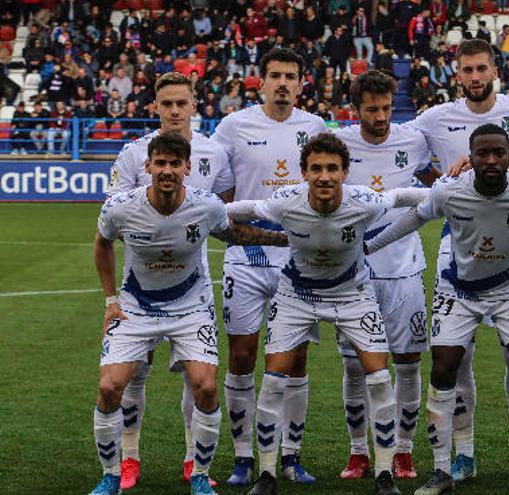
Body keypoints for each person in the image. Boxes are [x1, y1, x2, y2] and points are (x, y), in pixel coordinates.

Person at [225, 132, 426, 495]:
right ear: (303, 172)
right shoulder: (285, 202)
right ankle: (267, 475)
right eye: (316, 168)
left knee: (379, 379)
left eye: (333, 168)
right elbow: (236, 211)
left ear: (345, 172)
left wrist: (464, 188)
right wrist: (193, 207)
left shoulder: (364, 201)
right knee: (272, 382)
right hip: (296, 293)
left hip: (352, 292)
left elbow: (406, 198)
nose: (324, 176)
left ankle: (384, 475)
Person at [366, 124, 509, 495]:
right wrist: (370, 247)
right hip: (458, 290)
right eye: (482, 153)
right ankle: (443, 470)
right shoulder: (449, 190)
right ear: (469, 158)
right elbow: (416, 216)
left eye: (498, 153)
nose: (490, 160)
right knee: (444, 367)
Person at [89, 132, 287, 495]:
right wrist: (109, 300)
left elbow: (236, 233)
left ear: (187, 168)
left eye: (174, 164)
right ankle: (111, 475)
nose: (167, 171)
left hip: (190, 307)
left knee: (206, 387)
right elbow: (102, 244)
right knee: (108, 387)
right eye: (160, 163)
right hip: (136, 306)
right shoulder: (121, 207)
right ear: (148, 166)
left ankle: (199, 473)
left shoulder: (206, 205)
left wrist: (284, 239)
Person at [410, 38, 509, 480]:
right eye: (467, 70)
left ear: (495, 69)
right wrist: (441, 182)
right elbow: (402, 148)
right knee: (456, 360)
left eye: (482, 68)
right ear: (456, 74)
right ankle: (464, 450)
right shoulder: (436, 118)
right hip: (456, 250)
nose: (475, 77)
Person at [107, 71, 235, 490]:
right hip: (138, 284)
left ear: (195, 104)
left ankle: (190, 458)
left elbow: (224, 210)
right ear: (155, 107)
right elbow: (115, 214)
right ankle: (129, 459)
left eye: (182, 103)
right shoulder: (132, 154)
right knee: (132, 376)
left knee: (196, 377)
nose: (175, 111)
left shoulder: (214, 152)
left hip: (193, 284)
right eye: (167, 104)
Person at [210, 48, 328, 487]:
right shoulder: (233, 126)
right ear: (260, 81)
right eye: (275, 75)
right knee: (241, 356)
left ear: (302, 83)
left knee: (294, 359)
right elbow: (222, 196)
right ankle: (244, 456)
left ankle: (292, 455)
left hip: (298, 256)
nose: (283, 82)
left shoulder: (314, 127)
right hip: (246, 255)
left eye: (291, 76)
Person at [332, 70, 440, 480]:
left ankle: (403, 450)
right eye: (371, 109)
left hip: (405, 271)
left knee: (409, 363)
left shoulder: (412, 140)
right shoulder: (340, 143)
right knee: (356, 366)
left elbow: (435, 184)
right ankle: (359, 451)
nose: (380, 117)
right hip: (353, 272)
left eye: (386, 108)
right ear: (356, 109)